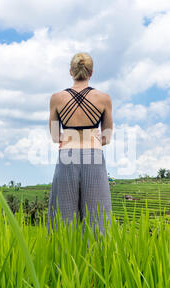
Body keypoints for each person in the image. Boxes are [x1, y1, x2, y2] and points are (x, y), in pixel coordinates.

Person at [47, 52, 113, 236]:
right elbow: (107, 136)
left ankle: (63, 262)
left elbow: (54, 136)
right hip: (94, 156)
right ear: (91, 73)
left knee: (63, 219)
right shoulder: (104, 98)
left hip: (67, 156)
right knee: (97, 220)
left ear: (71, 71)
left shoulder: (56, 98)